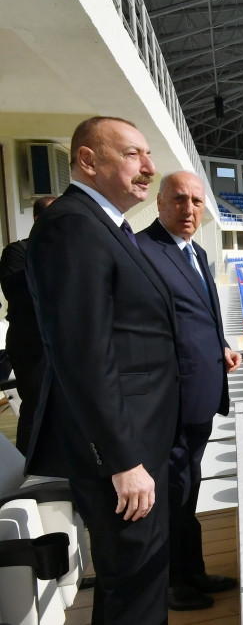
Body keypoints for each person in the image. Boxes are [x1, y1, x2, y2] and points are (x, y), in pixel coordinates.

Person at [25, 116, 180, 625]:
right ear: (88, 161)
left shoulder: (106, 226)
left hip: (139, 442)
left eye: (149, 156)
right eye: (134, 155)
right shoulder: (72, 224)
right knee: (132, 586)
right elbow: (81, 352)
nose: (149, 169)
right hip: (121, 453)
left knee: (141, 580)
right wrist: (122, 459)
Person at [135, 170, 241, 611]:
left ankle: (191, 570)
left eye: (197, 201)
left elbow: (195, 318)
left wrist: (221, 345)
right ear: (159, 203)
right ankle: (173, 583)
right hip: (171, 402)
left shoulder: (195, 251)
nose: (189, 209)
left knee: (187, 488)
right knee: (173, 495)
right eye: (179, 200)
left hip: (199, 396)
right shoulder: (142, 251)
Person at [0, 195, 55, 454]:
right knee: (36, 408)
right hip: (33, 347)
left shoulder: (68, 253)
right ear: (37, 219)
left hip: (63, 345)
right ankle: (29, 468)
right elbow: (22, 298)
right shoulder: (17, 252)